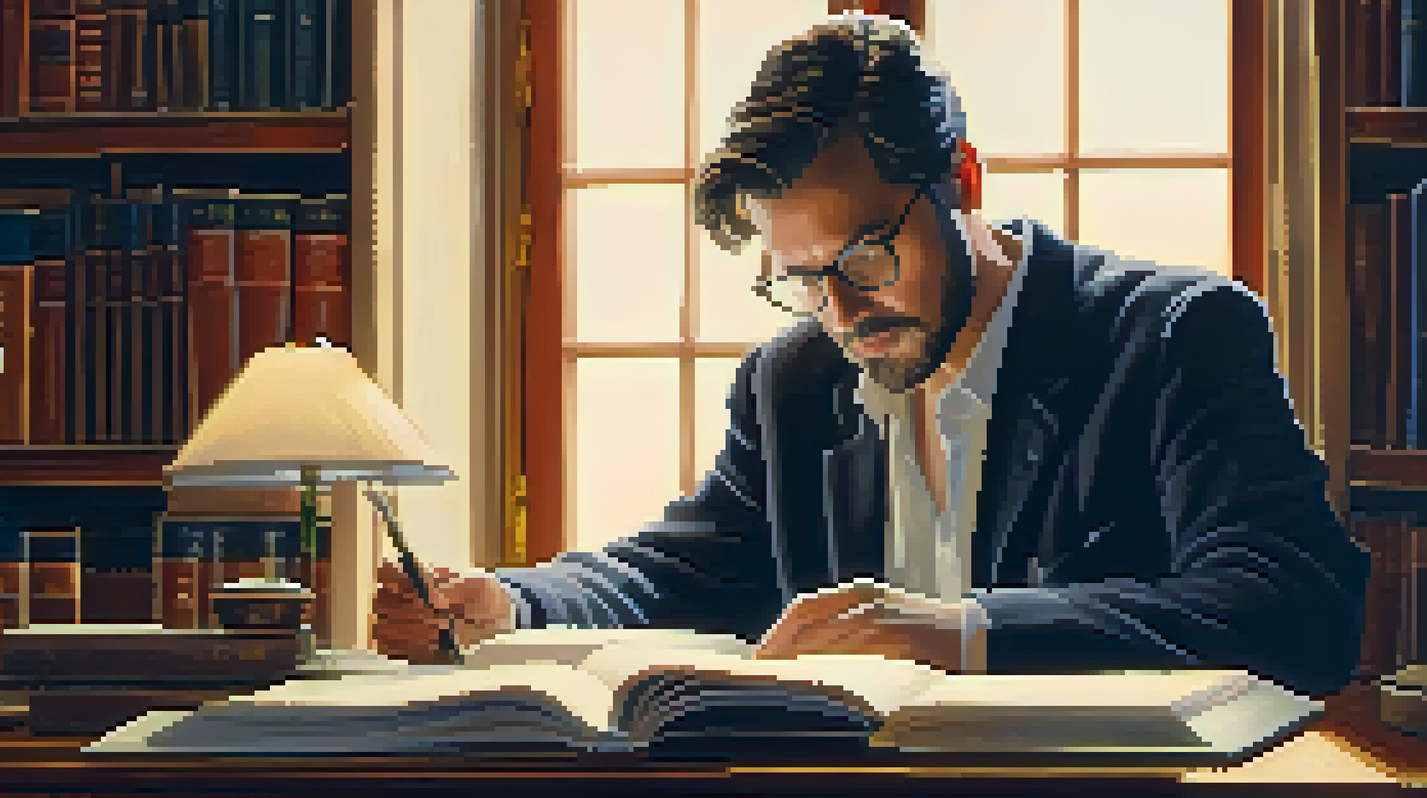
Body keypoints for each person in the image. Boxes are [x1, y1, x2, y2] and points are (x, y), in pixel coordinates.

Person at [372, 15, 1369, 697]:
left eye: (864, 258)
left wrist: (966, 632)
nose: (840, 313)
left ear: (961, 180)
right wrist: (514, 601)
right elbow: (678, 569)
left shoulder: (1175, 334)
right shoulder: (792, 382)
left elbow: (1294, 609)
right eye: (801, 278)